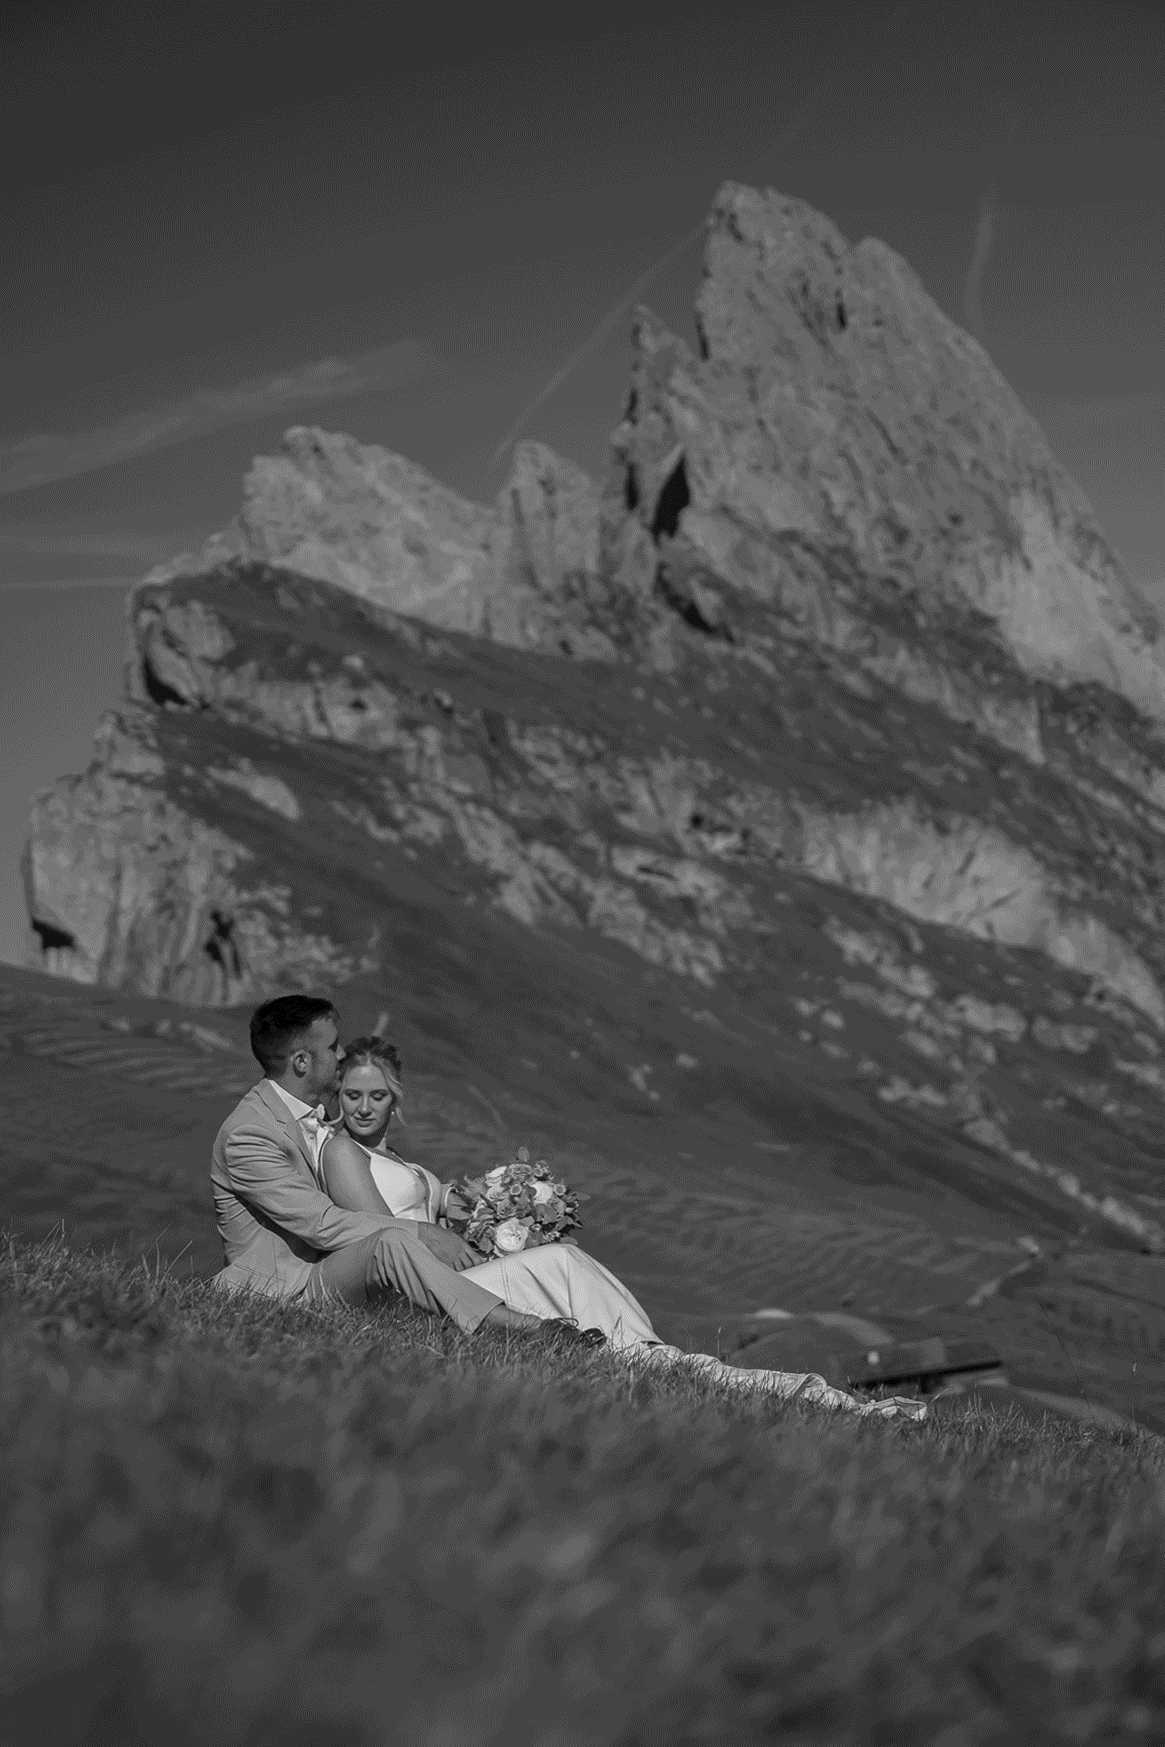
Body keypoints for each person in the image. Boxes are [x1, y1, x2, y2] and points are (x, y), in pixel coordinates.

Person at [319, 1033, 926, 1421]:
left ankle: (646, 1352)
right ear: (338, 1096)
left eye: (376, 1096)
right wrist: (447, 1238)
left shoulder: (401, 1163)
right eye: (352, 1095)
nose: (363, 1107)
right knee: (563, 1264)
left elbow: (442, 1210)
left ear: (395, 1101)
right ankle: (647, 1354)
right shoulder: (345, 1154)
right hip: (411, 1286)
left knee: (563, 1258)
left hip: (452, 1269)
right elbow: (381, 1235)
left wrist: (504, 1213)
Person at [211, 995, 597, 1348]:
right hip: (283, 1289)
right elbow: (322, 1225)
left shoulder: (309, 1119)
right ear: (301, 1062)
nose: (341, 1053)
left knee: (561, 1261)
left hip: (327, 1271)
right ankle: (522, 1329)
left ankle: (621, 1340)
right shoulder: (250, 1134)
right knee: (390, 1243)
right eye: (331, 1047)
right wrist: (422, 1232)